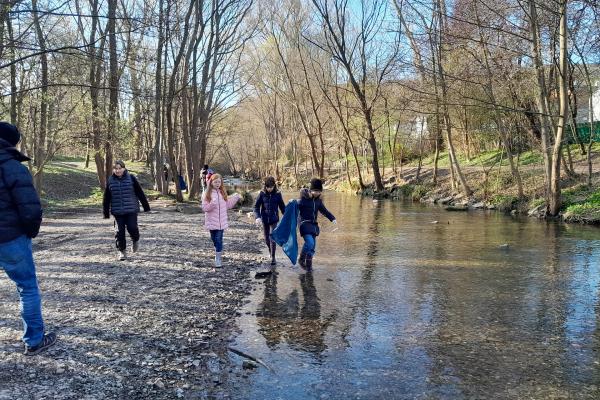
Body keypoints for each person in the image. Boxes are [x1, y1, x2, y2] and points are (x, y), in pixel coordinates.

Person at [0, 121, 56, 355]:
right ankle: (33, 341)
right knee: (27, 288)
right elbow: (30, 209)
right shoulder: (13, 167)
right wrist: (30, 231)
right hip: (11, 238)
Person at [103, 160, 151, 260]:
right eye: (116, 168)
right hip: (117, 211)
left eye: (120, 168)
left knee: (132, 227)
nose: (118, 170)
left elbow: (140, 193)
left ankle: (135, 239)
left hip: (131, 209)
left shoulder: (132, 178)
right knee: (119, 231)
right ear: (113, 170)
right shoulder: (110, 180)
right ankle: (122, 252)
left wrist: (146, 207)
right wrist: (106, 212)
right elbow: (106, 197)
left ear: (124, 168)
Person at [202, 173, 241, 268]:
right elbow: (204, 208)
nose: (217, 183)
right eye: (215, 182)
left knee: (219, 240)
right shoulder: (206, 193)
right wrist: (212, 204)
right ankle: (217, 250)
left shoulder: (222, 192)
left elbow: (228, 205)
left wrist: (235, 197)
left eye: (219, 182)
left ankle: (218, 259)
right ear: (211, 182)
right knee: (214, 239)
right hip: (211, 221)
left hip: (221, 222)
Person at [297, 178, 336, 271]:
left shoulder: (318, 201)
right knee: (310, 243)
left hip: (313, 226)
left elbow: (324, 211)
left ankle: (309, 267)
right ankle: (301, 259)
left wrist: (332, 218)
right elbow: (294, 208)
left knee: (312, 247)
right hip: (304, 224)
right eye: (315, 191)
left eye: (319, 191)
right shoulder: (303, 199)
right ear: (311, 190)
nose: (317, 193)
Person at [254, 176, 285, 266]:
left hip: (274, 219)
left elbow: (282, 207)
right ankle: (270, 250)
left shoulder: (278, 194)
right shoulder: (262, 194)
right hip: (264, 219)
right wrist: (257, 217)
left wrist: (287, 215)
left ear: (274, 186)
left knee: (272, 237)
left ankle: (273, 257)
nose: (269, 189)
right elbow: (256, 207)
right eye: (268, 187)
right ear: (265, 186)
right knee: (267, 239)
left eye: (271, 187)